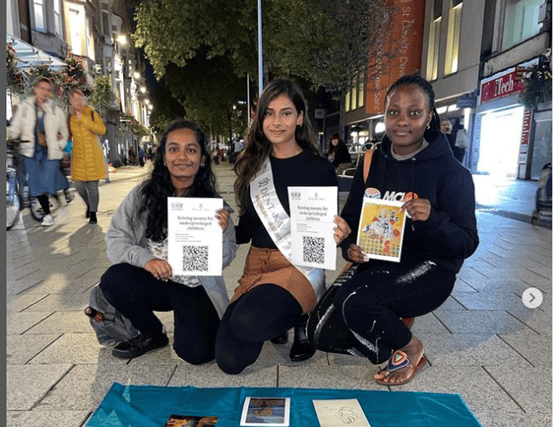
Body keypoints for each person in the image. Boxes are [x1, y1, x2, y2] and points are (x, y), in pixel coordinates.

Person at [306, 74, 479, 386]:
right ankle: (391, 315)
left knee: (355, 301)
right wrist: (351, 247)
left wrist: (433, 221)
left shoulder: (453, 173)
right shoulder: (373, 161)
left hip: (430, 267)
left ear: (429, 117)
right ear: (384, 115)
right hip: (381, 263)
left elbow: (466, 243)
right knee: (319, 331)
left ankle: (410, 348)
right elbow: (353, 218)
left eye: (414, 113)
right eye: (393, 112)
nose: (402, 121)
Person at [214, 78, 350, 374]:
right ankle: (278, 311)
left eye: (286, 113)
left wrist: (340, 235)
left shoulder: (320, 168)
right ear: (260, 118)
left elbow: (323, 231)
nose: (276, 121)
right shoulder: (252, 165)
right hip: (257, 265)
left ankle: (304, 318)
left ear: (300, 117)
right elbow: (248, 228)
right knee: (229, 361)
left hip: (297, 264)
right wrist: (221, 228)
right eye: (269, 113)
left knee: (247, 322)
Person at [99, 119, 237, 362]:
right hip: (155, 280)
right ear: (163, 156)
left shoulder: (213, 205)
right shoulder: (143, 195)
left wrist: (222, 237)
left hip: (194, 286)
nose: (182, 156)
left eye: (191, 150)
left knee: (197, 354)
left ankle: (195, 324)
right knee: (114, 279)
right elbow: (115, 238)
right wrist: (147, 260)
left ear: (202, 158)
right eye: (174, 149)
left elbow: (225, 259)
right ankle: (152, 332)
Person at [7, 76, 69, 226]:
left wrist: (58, 144)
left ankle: (58, 195)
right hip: (31, 151)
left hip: (49, 152)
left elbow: (64, 133)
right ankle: (48, 215)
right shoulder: (25, 107)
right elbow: (15, 129)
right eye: (42, 89)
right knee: (36, 184)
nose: (44, 92)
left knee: (47, 181)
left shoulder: (56, 110)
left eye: (48, 90)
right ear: (36, 90)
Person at [68, 88, 107, 224]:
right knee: (79, 186)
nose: (78, 102)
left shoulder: (91, 113)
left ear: (84, 100)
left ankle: (93, 213)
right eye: (75, 99)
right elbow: (69, 136)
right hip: (79, 157)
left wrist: (84, 119)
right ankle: (89, 205)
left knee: (92, 186)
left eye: (80, 99)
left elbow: (101, 129)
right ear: (71, 102)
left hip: (93, 155)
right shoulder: (70, 118)